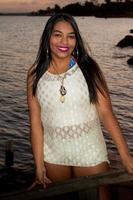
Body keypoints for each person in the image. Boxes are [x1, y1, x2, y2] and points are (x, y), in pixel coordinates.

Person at [27, 13, 133, 200]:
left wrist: (125, 156)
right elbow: (35, 122)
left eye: (71, 36)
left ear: (77, 39)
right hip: (53, 156)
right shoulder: (35, 74)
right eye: (57, 34)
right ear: (47, 37)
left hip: (90, 152)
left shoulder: (89, 69)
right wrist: (39, 166)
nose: (64, 41)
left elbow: (106, 113)